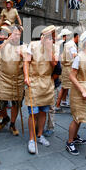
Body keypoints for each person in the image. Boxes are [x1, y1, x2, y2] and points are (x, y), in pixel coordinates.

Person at [24, 25, 58, 154]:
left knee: (44, 111)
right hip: (34, 82)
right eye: (50, 36)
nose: (52, 39)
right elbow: (26, 62)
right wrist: (26, 76)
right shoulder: (32, 45)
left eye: (53, 37)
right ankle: (31, 139)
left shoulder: (54, 47)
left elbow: (54, 64)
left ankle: (39, 135)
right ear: (42, 36)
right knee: (33, 112)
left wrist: (49, 50)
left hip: (47, 82)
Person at [0, 25, 25, 136]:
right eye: (15, 34)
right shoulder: (3, 45)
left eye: (19, 34)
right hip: (3, 78)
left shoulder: (23, 46)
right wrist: (8, 40)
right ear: (10, 34)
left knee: (16, 103)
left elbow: (28, 61)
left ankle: (12, 123)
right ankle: (5, 117)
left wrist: (23, 55)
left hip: (18, 79)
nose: (17, 36)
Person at [55, 31, 78, 112]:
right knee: (65, 87)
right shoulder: (71, 45)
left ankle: (61, 102)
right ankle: (57, 105)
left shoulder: (68, 44)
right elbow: (75, 56)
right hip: (69, 68)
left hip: (66, 67)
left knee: (65, 87)